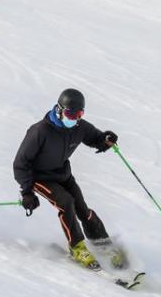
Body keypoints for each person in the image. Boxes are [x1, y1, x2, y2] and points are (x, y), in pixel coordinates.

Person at [13, 88, 125, 270]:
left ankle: (103, 244)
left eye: (78, 114)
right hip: (40, 177)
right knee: (66, 203)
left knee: (82, 208)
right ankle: (77, 246)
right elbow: (20, 163)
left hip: (63, 175)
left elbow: (95, 138)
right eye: (70, 113)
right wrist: (27, 192)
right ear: (59, 110)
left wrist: (105, 140)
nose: (74, 118)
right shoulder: (40, 131)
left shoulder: (79, 127)